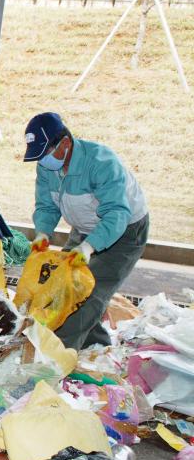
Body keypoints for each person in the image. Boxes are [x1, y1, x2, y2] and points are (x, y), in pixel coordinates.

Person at [23, 112, 149, 350]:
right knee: (59, 284)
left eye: (45, 154)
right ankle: (97, 348)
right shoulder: (48, 167)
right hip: (85, 227)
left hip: (124, 231)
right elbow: (46, 205)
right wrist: (43, 233)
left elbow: (117, 214)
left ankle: (56, 358)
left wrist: (89, 247)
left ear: (66, 143)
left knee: (87, 293)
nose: (42, 162)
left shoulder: (102, 163)